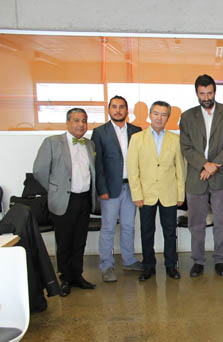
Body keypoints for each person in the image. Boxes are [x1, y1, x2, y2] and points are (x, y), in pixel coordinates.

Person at [33, 108, 98, 295]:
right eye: (76, 120)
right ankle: (64, 278)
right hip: (64, 200)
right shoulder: (52, 142)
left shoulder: (89, 144)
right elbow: (39, 170)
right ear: (68, 123)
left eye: (84, 121)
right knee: (64, 241)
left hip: (84, 199)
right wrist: (55, 189)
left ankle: (77, 275)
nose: (81, 124)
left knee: (79, 240)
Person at [180, 74, 223, 278]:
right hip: (196, 176)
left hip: (220, 175)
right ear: (196, 93)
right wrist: (204, 164)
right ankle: (197, 260)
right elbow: (186, 146)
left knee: (222, 221)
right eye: (202, 93)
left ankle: (220, 260)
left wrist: (213, 166)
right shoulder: (187, 116)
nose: (206, 97)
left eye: (210, 93)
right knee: (196, 222)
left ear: (215, 91)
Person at [127, 101, 185, 281]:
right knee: (147, 232)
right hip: (146, 195)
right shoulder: (137, 138)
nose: (159, 118)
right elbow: (132, 169)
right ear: (150, 115)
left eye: (163, 114)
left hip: (169, 193)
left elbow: (180, 169)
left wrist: (180, 194)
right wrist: (136, 194)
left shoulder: (175, 139)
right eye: (156, 114)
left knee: (170, 232)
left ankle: (171, 265)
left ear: (168, 117)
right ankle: (148, 266)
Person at [91, 95, 143, 283]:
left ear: (127, 110)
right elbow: (97, 163)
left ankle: (129, 260)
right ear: (109, 110)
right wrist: (101, 189)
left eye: (121, 107)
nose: (118, 110)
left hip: (131, 187)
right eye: (114, 107)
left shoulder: (136, 131)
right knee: (108, 228)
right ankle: (106, 265)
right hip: (110, 189)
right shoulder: (100, 132)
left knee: (128, 226)